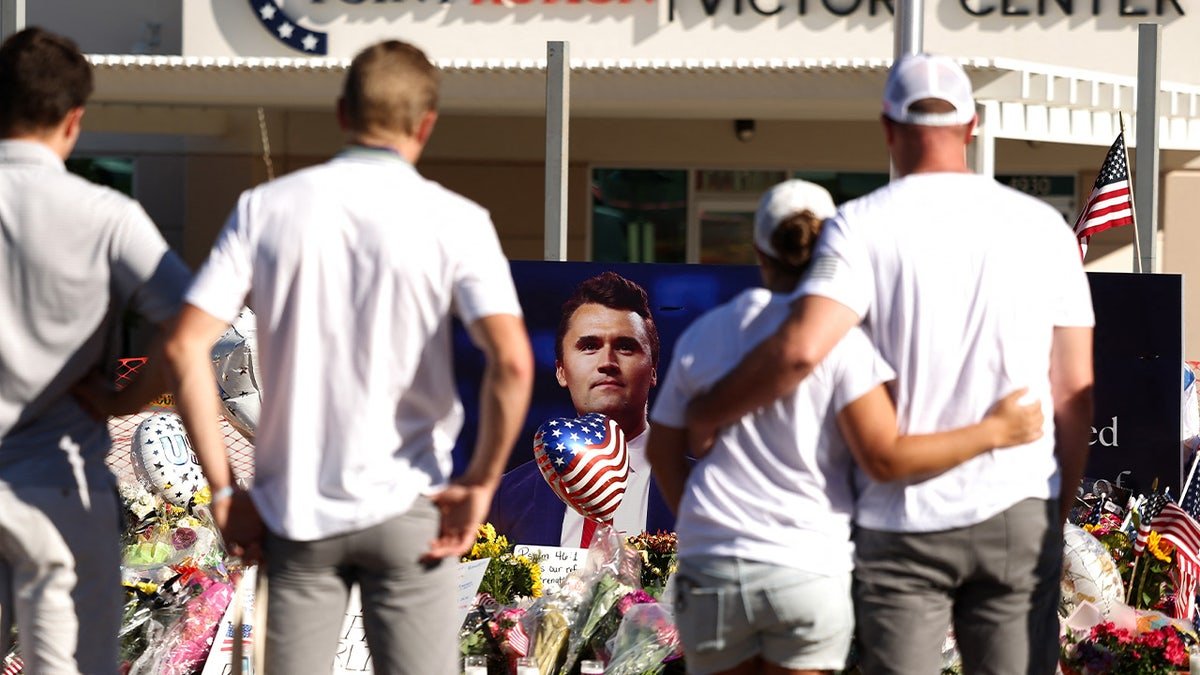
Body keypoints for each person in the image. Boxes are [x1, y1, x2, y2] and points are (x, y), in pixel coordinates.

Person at [685, 55, 1095, 675]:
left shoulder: (860, 226)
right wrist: (1051, 510)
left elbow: (799, 349)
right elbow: (1073, 392)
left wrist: (710, 408)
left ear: (886, 128)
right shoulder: (1044, 229)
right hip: (1015, 504)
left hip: (901, 518)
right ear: (973, 127)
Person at [164, 40, 534, 675]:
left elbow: (183, 344)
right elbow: (514, 363)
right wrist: (478, 481)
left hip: (298, 514)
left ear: (342, 113)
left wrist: (224, 490)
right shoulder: (457, 220)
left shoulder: (267, 208)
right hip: (408, 507)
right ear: (427, 123)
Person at [647, 179, 1044, 675]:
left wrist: (704, 527)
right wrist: (997, 431)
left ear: (759, 252)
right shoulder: (846, 345)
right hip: (807, 565)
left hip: (713, 563)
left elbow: (662, 452)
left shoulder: (705, 333)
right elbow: (885, 458)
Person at [0, 27, 191, 675]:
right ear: (74, 119)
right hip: (57, 488)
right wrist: (127, 396)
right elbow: (192, 324)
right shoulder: (107, 215)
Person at [488, 271, 677, 547]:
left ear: (653, 370)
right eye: (589, 346)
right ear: (561, 371)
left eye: (625, 347)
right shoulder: (508, 496)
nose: (607, 362)